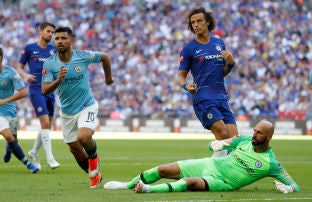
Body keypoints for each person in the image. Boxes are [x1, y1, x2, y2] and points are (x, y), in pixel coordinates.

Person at [104, 120, 300, 194]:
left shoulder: (271, 163)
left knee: (187, 182)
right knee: (162, 169)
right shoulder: (244, 140)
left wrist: (289, 188)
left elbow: (296, 186)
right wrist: (214, 144)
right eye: (255, 130)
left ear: (269, 137)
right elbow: (216, 145)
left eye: (259, 133)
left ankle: (147, 190)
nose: (255, 135)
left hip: (221, 181)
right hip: (210, 164)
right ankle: (126, 185)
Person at [41, 27, 114, 188]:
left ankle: (94, 161)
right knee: (74, 149)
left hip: (86, 105)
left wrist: (108, 79)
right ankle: (94, 174)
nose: (59, 41)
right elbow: (45, 90)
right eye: (57, 38)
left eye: (63, 38)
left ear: (71, 41)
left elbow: (105, 57)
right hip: (67, 112)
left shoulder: (83, 56)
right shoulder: (50, 63)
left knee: (83, 137)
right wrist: (58, 80)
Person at [177, 7, 239, 157]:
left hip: (221, 97)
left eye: (199, 21)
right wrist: (186, 86)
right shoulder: (189, 48)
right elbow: (180, 77)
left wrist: (230, 64)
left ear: (208, 23)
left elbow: (221, 73)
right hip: (203, 98)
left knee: (235, 142)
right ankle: (215, 174)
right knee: (223, 134)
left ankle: (219, 173)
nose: (196, 25)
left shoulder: (219, 43)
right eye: (193, 23)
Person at [0, 46, 39, 173]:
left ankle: (9, 148)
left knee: (13, 140)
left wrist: (4, 101)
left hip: (10, 111)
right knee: (8, 136)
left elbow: (23, 92)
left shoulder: (11, 73)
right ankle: (29, 165)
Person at [17, 22, 60, 170]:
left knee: (47, 125)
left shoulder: (53, 50)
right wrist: (25, 75)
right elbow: (19, 67)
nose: (51, 34)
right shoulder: (30, 48)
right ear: (40, 31)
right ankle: (50, 158)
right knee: (46, 124)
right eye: (48, 31)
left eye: (52, 32)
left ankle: (34, 152)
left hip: (50, 90)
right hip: (36, 89)